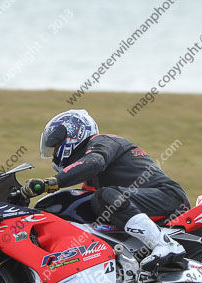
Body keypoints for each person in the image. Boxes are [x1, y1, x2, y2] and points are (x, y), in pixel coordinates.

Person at [22, 109, 190, 272]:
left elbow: (95, 162)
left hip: (168, 197)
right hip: (148, 203)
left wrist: (52, 182)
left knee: (105, 196)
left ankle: (166, 245)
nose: (54, 155)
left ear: (74, 133)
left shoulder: (102, 141)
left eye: (57, 145)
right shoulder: (92, 180)